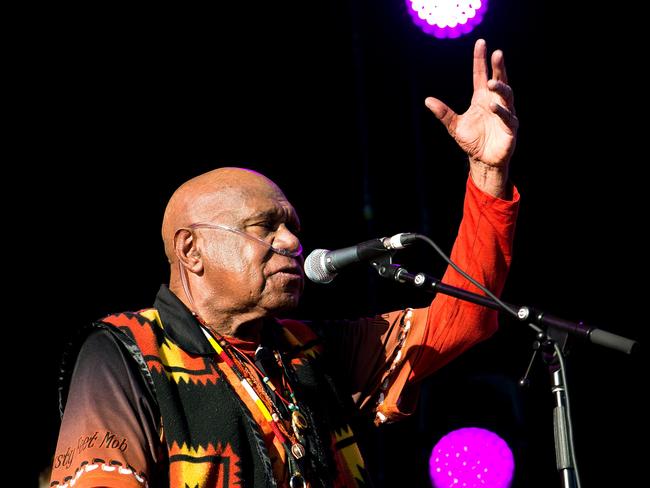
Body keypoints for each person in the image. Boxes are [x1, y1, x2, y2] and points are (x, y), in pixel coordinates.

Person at [49, 38, 520, 488]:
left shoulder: (312, 349)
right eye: (265, 227)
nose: (293, 241)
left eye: (292, 225)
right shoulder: (125, 352)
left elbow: (466, 317)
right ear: (191, 250)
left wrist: (488, 175)